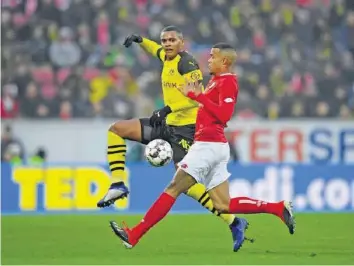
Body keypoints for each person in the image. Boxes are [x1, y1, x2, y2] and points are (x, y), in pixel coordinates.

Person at [109, 43, 295, 252]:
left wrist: (197, 96)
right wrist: (192, 98)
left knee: (173, 188)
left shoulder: (228, 81)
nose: (208, 60)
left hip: (208, 145)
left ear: (224, 61)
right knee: (223, 205)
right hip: (213, 146)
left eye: (213, 57)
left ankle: (134, 235)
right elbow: (207, 108)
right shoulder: (215, 82)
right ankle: (278, 208)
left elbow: (224, 115)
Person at [97, 26, 247, 251]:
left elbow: (197, 98)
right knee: (117, 129)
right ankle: (118, 184)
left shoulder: (188, 64)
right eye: (164, 40)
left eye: (172, 40)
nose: (167, 44)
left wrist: (166, 109)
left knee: (184, 185)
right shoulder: (166, 56)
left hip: (186, 130)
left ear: (182, 43)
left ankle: (234, 221)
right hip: (167, 124)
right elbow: (154, 49)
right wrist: (140, 40)